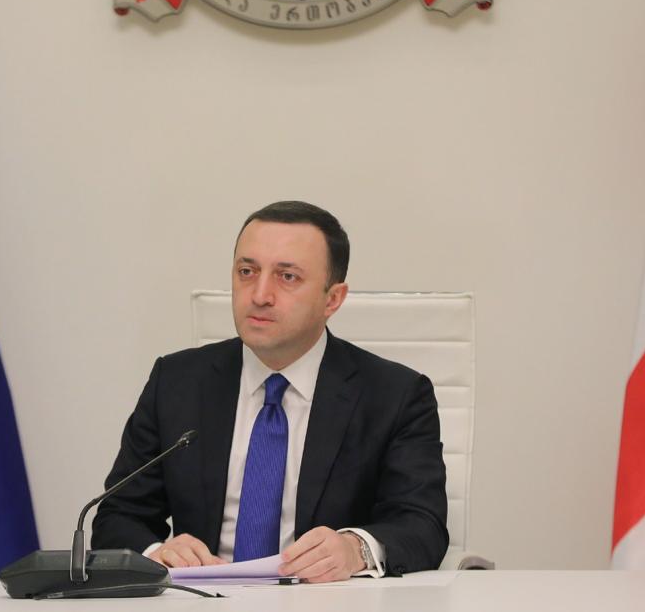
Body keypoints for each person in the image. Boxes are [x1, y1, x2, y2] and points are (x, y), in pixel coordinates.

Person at [91, 201, 448, 581]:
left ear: (332, 299)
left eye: (287, 277)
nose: (260, 294)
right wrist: (156, 553)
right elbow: (118, 516)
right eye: (247, 272)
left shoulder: (395, 395)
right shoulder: (177, 382)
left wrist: (353, 549)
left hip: (324, 601)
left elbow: (422, 525)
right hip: (203, 599)